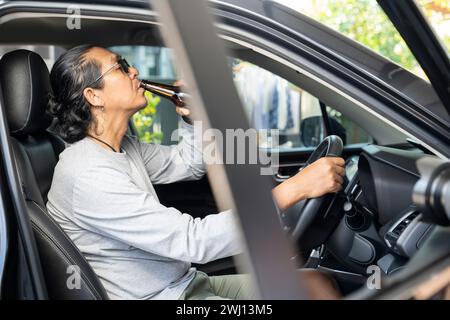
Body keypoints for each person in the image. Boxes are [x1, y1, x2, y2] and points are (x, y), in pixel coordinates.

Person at [46, 45, 345, 300]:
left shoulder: (121, 147)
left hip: (184, 283)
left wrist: (191, 120)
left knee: (318, 284)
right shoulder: (88, 175)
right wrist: (296, 188)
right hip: (162, 297)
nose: (134, 70)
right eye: (120, 67)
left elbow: (187, 163)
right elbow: (192, 241)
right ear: (94, 96)